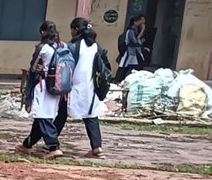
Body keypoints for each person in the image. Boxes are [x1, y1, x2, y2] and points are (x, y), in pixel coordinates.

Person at [58, 17, 106, 158]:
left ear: (76, 29)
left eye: (72, 29)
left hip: (74, 86)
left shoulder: (73, 46)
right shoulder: (96, 47)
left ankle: (51, 142)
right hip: (90, 87)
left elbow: (67, 66)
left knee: (61, 114)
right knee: (91, 116)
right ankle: (97, 147)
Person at [18, 21, 66, 159]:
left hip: (43, 84)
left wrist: (39, 69)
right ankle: (27, 144)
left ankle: (53, 146)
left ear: (42, 32)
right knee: (44, 114)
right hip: (58, 85)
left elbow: (33, 66)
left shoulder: (43, 48)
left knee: (42, 115)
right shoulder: (61, 46)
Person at [117, 14, 149, 82]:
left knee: (133, 67)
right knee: (124, 67)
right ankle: (118, 80)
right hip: (129, 52)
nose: (140, 22)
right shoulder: (131, 31)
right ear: (134, 22)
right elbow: (134, 42)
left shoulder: (134, 30)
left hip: (133, 53)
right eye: (138, 21)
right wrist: (143, 48)